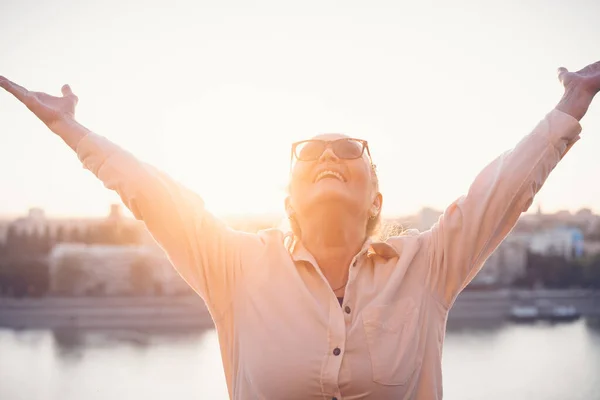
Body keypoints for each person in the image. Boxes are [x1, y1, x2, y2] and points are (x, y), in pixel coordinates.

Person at [1, 59, 598, 399]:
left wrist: (573, 102)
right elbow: (153, 195)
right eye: (309, 153)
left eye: (346, 149)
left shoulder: (429, 264)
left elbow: (503, 191)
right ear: (286, 196)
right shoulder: (233, 268)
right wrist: (71, 130)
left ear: (375, 196)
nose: (328, 156)